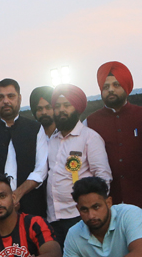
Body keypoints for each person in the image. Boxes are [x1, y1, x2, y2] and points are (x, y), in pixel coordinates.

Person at [87, 61, 142, 229]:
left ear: (126, 87)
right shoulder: (90, 122)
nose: (110, 89)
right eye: (106, 86)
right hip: (108, 206)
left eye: (116, 85)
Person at [44, 85, 112, 244]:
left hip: (79, 216)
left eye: (66, 105)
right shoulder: (52, 140)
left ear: (77, 109)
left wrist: (95, 212)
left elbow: (103, 176)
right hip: (53, 217)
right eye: (57, 106)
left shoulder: (90, 138)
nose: (61, 110)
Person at [0, 78, 48, 220]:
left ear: (19, 98)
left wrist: (16, 195)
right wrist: (1, 199)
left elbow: (41, 170)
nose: (5, 101)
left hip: (30, 208)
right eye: (0, 97)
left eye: (11, 96)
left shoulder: (35, 129)